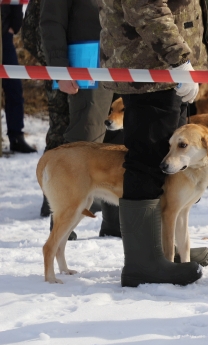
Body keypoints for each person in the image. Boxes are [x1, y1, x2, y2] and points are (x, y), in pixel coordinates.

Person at [98, 0, 208, 287]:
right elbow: (146, 7)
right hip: (152, 67)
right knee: (148, 162)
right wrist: (179, 59)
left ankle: (168, 247)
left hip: (169, 69)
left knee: (172, 166)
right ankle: (145, 261)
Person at [40, 0, 119, 237]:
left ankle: (118, 224)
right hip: (87, 62)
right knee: (85, 140)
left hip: (125, 62)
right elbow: (51, 21)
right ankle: (62, 225)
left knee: (121, 145)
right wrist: (58, 68)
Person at [21, 0, 71, 221]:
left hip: (88, 67)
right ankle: (51, 198)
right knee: (60, 129)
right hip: (59, 69)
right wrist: (51, 59)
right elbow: (30, 34)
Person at [1, 5, 36, 154]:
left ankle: (16, 137)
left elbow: (16, 3)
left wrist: (13, 26)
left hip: (4, 36)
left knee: (14, 86)